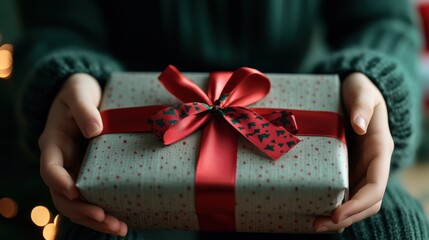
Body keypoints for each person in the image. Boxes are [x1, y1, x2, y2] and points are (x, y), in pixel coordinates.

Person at [14, 0, 429, 239]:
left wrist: (373, 79)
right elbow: (58, 25)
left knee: (391, 229)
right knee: (95, 231)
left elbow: (381, 19)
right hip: (119, 139)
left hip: (311, 131)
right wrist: (67, 78)